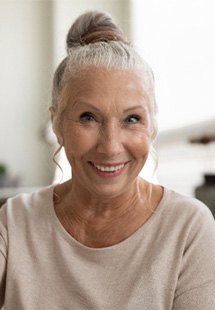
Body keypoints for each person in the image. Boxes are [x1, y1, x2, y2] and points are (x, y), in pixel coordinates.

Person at [0, 11, 215, 310]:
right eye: (88, 117)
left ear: (152, 126)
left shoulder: (188, 229)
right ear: (57, 124)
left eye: (132, 118)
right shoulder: (13, 223)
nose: (111, 146)